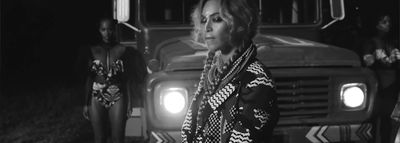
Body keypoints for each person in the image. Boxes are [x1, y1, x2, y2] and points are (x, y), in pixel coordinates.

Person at [181, 0, 279, 142]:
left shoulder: (258, 78)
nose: (207, 27)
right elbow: (190, 128)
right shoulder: (212, 72)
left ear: (240, 23)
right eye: (203, 20)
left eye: (217, 19)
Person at [82, 17, 147, 143]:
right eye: (103, 29)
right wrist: (85, 103)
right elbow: (89, 78)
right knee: (99, 138)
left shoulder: (124, 51)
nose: (107, 33)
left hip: (117, 94)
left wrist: (129, 103)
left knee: (118, 139)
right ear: (99, 31)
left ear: (115, 30)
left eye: (110, 29)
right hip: (96, 94)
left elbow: (126, 79)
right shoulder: (92, 51)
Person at [362, 14, 400, 143]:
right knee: (371, 120)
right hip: (377, 87)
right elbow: (367, 62)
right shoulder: (370, 42)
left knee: (387, 121)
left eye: (389, 21)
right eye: (384, 22)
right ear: (376, 25)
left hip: (391, 87)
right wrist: (384, 60)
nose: (388, 24)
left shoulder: (393, 43)